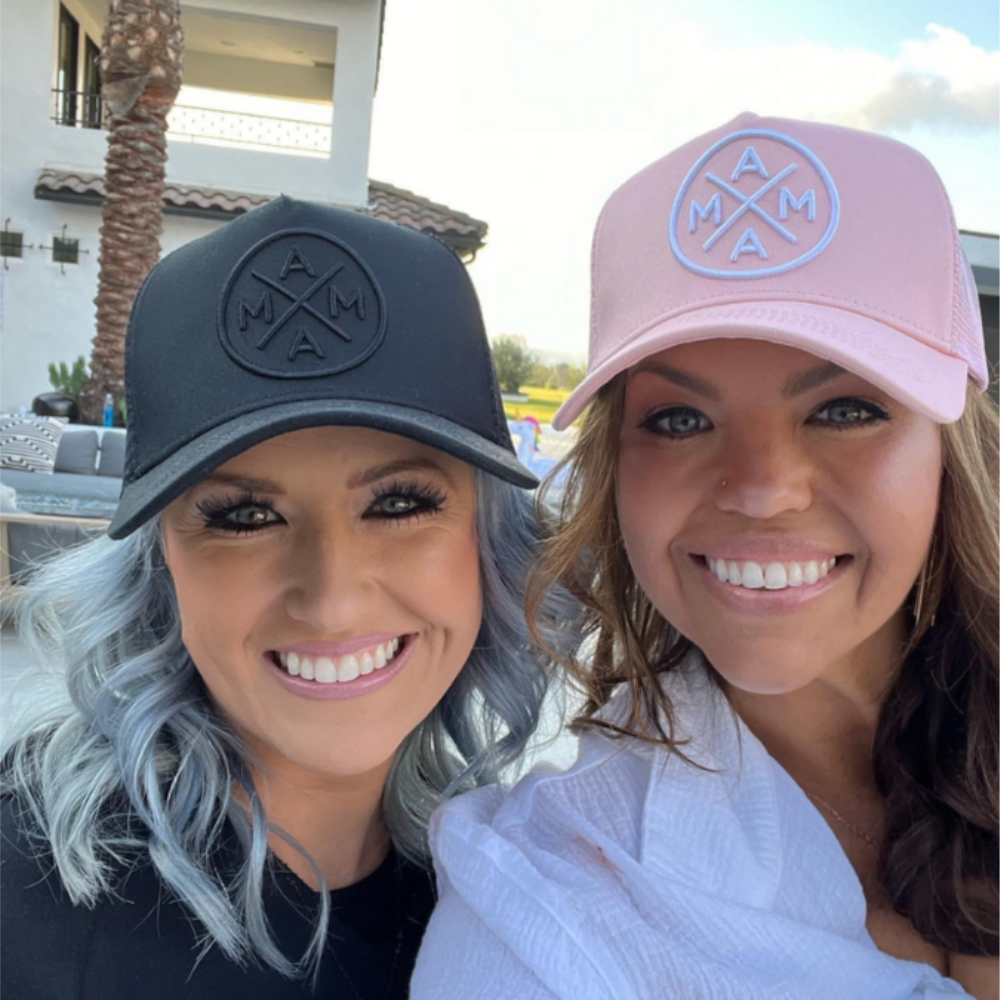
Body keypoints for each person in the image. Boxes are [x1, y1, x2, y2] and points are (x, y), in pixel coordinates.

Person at [411, 114, 998, 999]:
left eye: (843, 409)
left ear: (951, 448)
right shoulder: (550, 897)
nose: (762, 490)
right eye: (680, 420)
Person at [1, 197, 573, 998]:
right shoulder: (25, 903)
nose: (334, 601)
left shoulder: (512, 914)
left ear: (487, 539)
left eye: (400, 503)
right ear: (161, 561)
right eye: (245, 516)